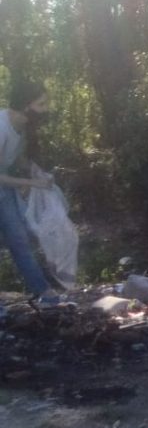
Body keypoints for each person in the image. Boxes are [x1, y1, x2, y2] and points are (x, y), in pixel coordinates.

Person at [0, 81, 61, 306]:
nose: (45, 109)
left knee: (19, 240)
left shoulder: (22, 126)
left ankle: (43, 291)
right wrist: (31, 182)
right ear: (26, 106)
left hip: (3, 193)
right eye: (41, 104)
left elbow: (14, 157)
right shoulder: (1, 126)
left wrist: (37, 173)